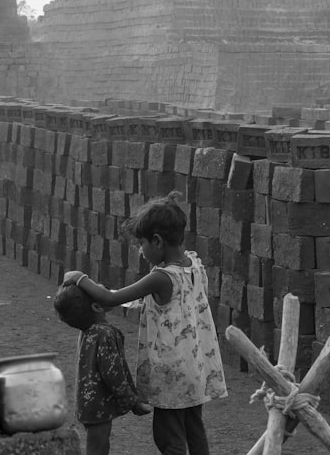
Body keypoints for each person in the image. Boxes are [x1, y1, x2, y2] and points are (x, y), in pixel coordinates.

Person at [63, 191, 227, 455]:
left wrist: (79, 277)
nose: (140, 251)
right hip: (197, 370)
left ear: (158, 241)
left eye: (141, 244)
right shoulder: (195, 265)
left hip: (171, 375)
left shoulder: (161, 277)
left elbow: (111, 297)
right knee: (194, 430)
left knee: (169, 438)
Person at [53, 282, 151, 455]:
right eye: (101, 291)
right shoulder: (104, 334)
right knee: (98, 449)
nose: (106, 290)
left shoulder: (88, 331)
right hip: (99, 405)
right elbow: (113, 374)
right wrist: (132, 401)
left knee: (100, 447)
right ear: (97, 307)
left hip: (88, 403)